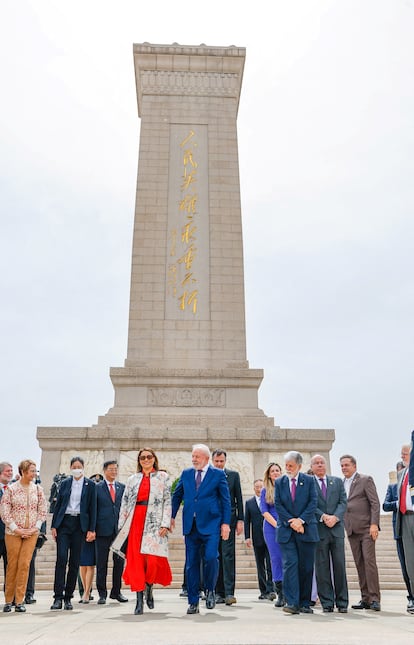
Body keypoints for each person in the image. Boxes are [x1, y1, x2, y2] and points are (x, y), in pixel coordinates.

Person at [171, 443, 231, 615]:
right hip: (191, 525)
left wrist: (225, 524)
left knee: (212, 557)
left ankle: (210, 589)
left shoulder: (218, 474)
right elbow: (177, 496)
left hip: (212, 524)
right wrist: (171, 516)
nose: (193, 459)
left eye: (196, 456)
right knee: (191, 564)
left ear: (205, 458)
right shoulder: (186, 473)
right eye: (193, 456)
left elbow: (225, 500)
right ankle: (193, 601)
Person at [111, 448, 172, 615]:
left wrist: (165, 523)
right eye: (142, 457)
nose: (146, 460)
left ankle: (149, 586)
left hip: (154, 522)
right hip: (135, 521)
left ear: (154, 459)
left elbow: (168, 501)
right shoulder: (132, 479)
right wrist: (122, 527)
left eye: (149, 457)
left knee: (152, 560)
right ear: (139, 461)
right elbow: (124, 502)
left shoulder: (163, 477)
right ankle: (139, 599)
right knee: (136, 561)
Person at [274, 450, 319, 615]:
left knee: (306, 567)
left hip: (306, 530)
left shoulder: (309, 480)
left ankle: (304, 603)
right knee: (290, 564)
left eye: (291, 465)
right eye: (286, 465)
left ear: (299, 466)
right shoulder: (279, 482)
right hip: (287, 531)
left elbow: (313, 502)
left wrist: (301, 520)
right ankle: (292, 602)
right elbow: (278, 504)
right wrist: (292, 522)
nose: (287, 468)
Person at [50, 456, 97, 611]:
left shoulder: (90, 485)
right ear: (71, 468)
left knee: (75, 562)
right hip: (64, 524)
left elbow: (92, 508)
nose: (77, 468)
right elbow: (58, 505)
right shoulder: (64, 483)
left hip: (79, 526)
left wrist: (91, 529)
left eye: (79, 466)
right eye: (74, 466)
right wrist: (54, 525)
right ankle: (57, 597)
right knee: (61, 559)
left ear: (83, 467)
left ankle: (68, 597)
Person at [0, 459, 47, 613]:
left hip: (31, 532)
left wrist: (36, 527)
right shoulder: (11, 489)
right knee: (12, 564)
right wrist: (16, 528)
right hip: (13, 533)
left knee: (25, 565)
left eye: (35, 471)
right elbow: (5, 512)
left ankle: (19, 600)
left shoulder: (38, 489)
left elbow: (43, 510)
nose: (34, 473)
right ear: (24, 472)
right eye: (32, 471)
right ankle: (8, 600)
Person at [340, 454, 381, 611]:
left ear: (354, 466)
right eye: (342, 465)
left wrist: (374, 524)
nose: (344, 468)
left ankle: (375, 598)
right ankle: (365, 598)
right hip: (351, 530)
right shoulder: (341, 483)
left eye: (347, 465)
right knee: (359, 564)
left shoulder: (365, 479)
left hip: (366, 529)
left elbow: (374, 503)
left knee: (369, 562)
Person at [310, 454, 348, 613]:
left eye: (322, 462)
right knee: (322, 567)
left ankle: (342, 602)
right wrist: (323, 516)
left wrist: (335, 517)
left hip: (336, 529)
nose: (320, 465)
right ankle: (327, 602)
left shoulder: (337, 482)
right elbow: (309, 504)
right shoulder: (308, 484)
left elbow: (343, 502)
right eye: (316, 463)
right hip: (319, 530)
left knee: (340, 566)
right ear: (312, 467)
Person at [211, 449, 244, 605]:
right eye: (216, 461)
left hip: (229, 520)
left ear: (225, 461)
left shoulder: (233, 476)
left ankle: (229, 592)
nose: (219, 464)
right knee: (215, 555)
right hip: (211, 521)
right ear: (212, 461)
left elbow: (238, 498)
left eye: (221, 461)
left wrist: (240, 520)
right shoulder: (207, 476)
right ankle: (218, 592)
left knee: (228, 555)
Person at [383, 456, 413, 611]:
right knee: (406, 566)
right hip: (399, 529)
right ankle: (411, 597)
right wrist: (399, 502)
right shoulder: (392, 488)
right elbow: (385, 505)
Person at [95, 460, 127, 604]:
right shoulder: (97, 488)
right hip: (102, 530)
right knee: (101, 563)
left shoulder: (122, 487)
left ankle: (116, 591)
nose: (114, 471)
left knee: (119, 563)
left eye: (115, 469)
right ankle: (102, 593)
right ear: (104, 470)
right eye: (111, 469)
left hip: (119, 531)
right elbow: (93, 509)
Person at [244, 479, 274, 600]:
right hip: (257, 538)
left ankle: (271, 589)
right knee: (260, 565)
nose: (259, 488)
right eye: (257, 486)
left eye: (261, 486)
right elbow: (247, 521)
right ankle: (263, 591)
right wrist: (247, 537)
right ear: (253, 488)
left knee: (270, 564)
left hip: (270, 536)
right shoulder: (249, 502)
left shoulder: (269, 500)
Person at [260, 463, 284, 607]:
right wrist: (277, 525)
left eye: (277, 470)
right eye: (272, 471)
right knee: (276, 559)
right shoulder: (265, 490)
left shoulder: (287, 488)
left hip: (288, 526)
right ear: (269, 474)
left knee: (288, 559)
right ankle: (280, 593)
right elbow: (264, 511)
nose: (275, 473)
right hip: (271, 527)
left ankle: (291, 592)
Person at [395, 437, 414, 614]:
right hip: (405, 519)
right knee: (410, 563)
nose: (402, 455)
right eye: (401, 453)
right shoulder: (401, 474)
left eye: (406, 452)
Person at [0, 462, 13, 589]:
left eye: (11, 471)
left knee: (10, 568)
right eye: (7, 471)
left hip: (10, 535)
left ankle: (10, 599)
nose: (10, 473)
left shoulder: (14, 490)